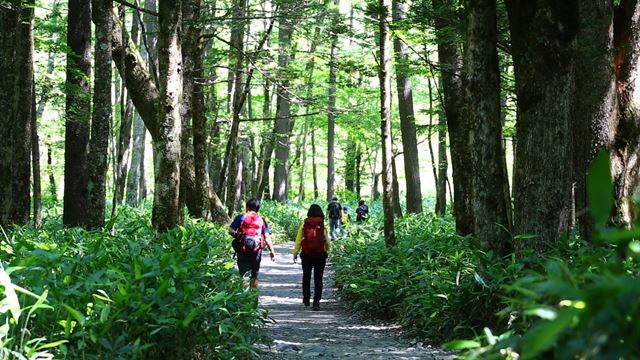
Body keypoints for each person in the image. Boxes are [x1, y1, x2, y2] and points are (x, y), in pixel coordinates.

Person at [228, 198, 276, 288]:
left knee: (243, 274)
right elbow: (267, 237)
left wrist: (239, 236)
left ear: (247, 207)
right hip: (256, 250)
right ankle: (253, 297)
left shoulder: (241, 217)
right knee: (254, 276)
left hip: (242, 249)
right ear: (258, 209)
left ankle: (244, 297)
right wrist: (272, 251)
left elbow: (230, 230)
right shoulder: (261, 220)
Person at [293, 204, 331, 311]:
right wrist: (327, 250)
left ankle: (306, 298)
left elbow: (298, 240)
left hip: (306, 254)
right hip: (320, 255)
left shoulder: (304, 225)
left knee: (306, 276)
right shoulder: (322, 226)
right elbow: (327, 241)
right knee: (318, 278)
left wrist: (295, 253)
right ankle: (316, 302)